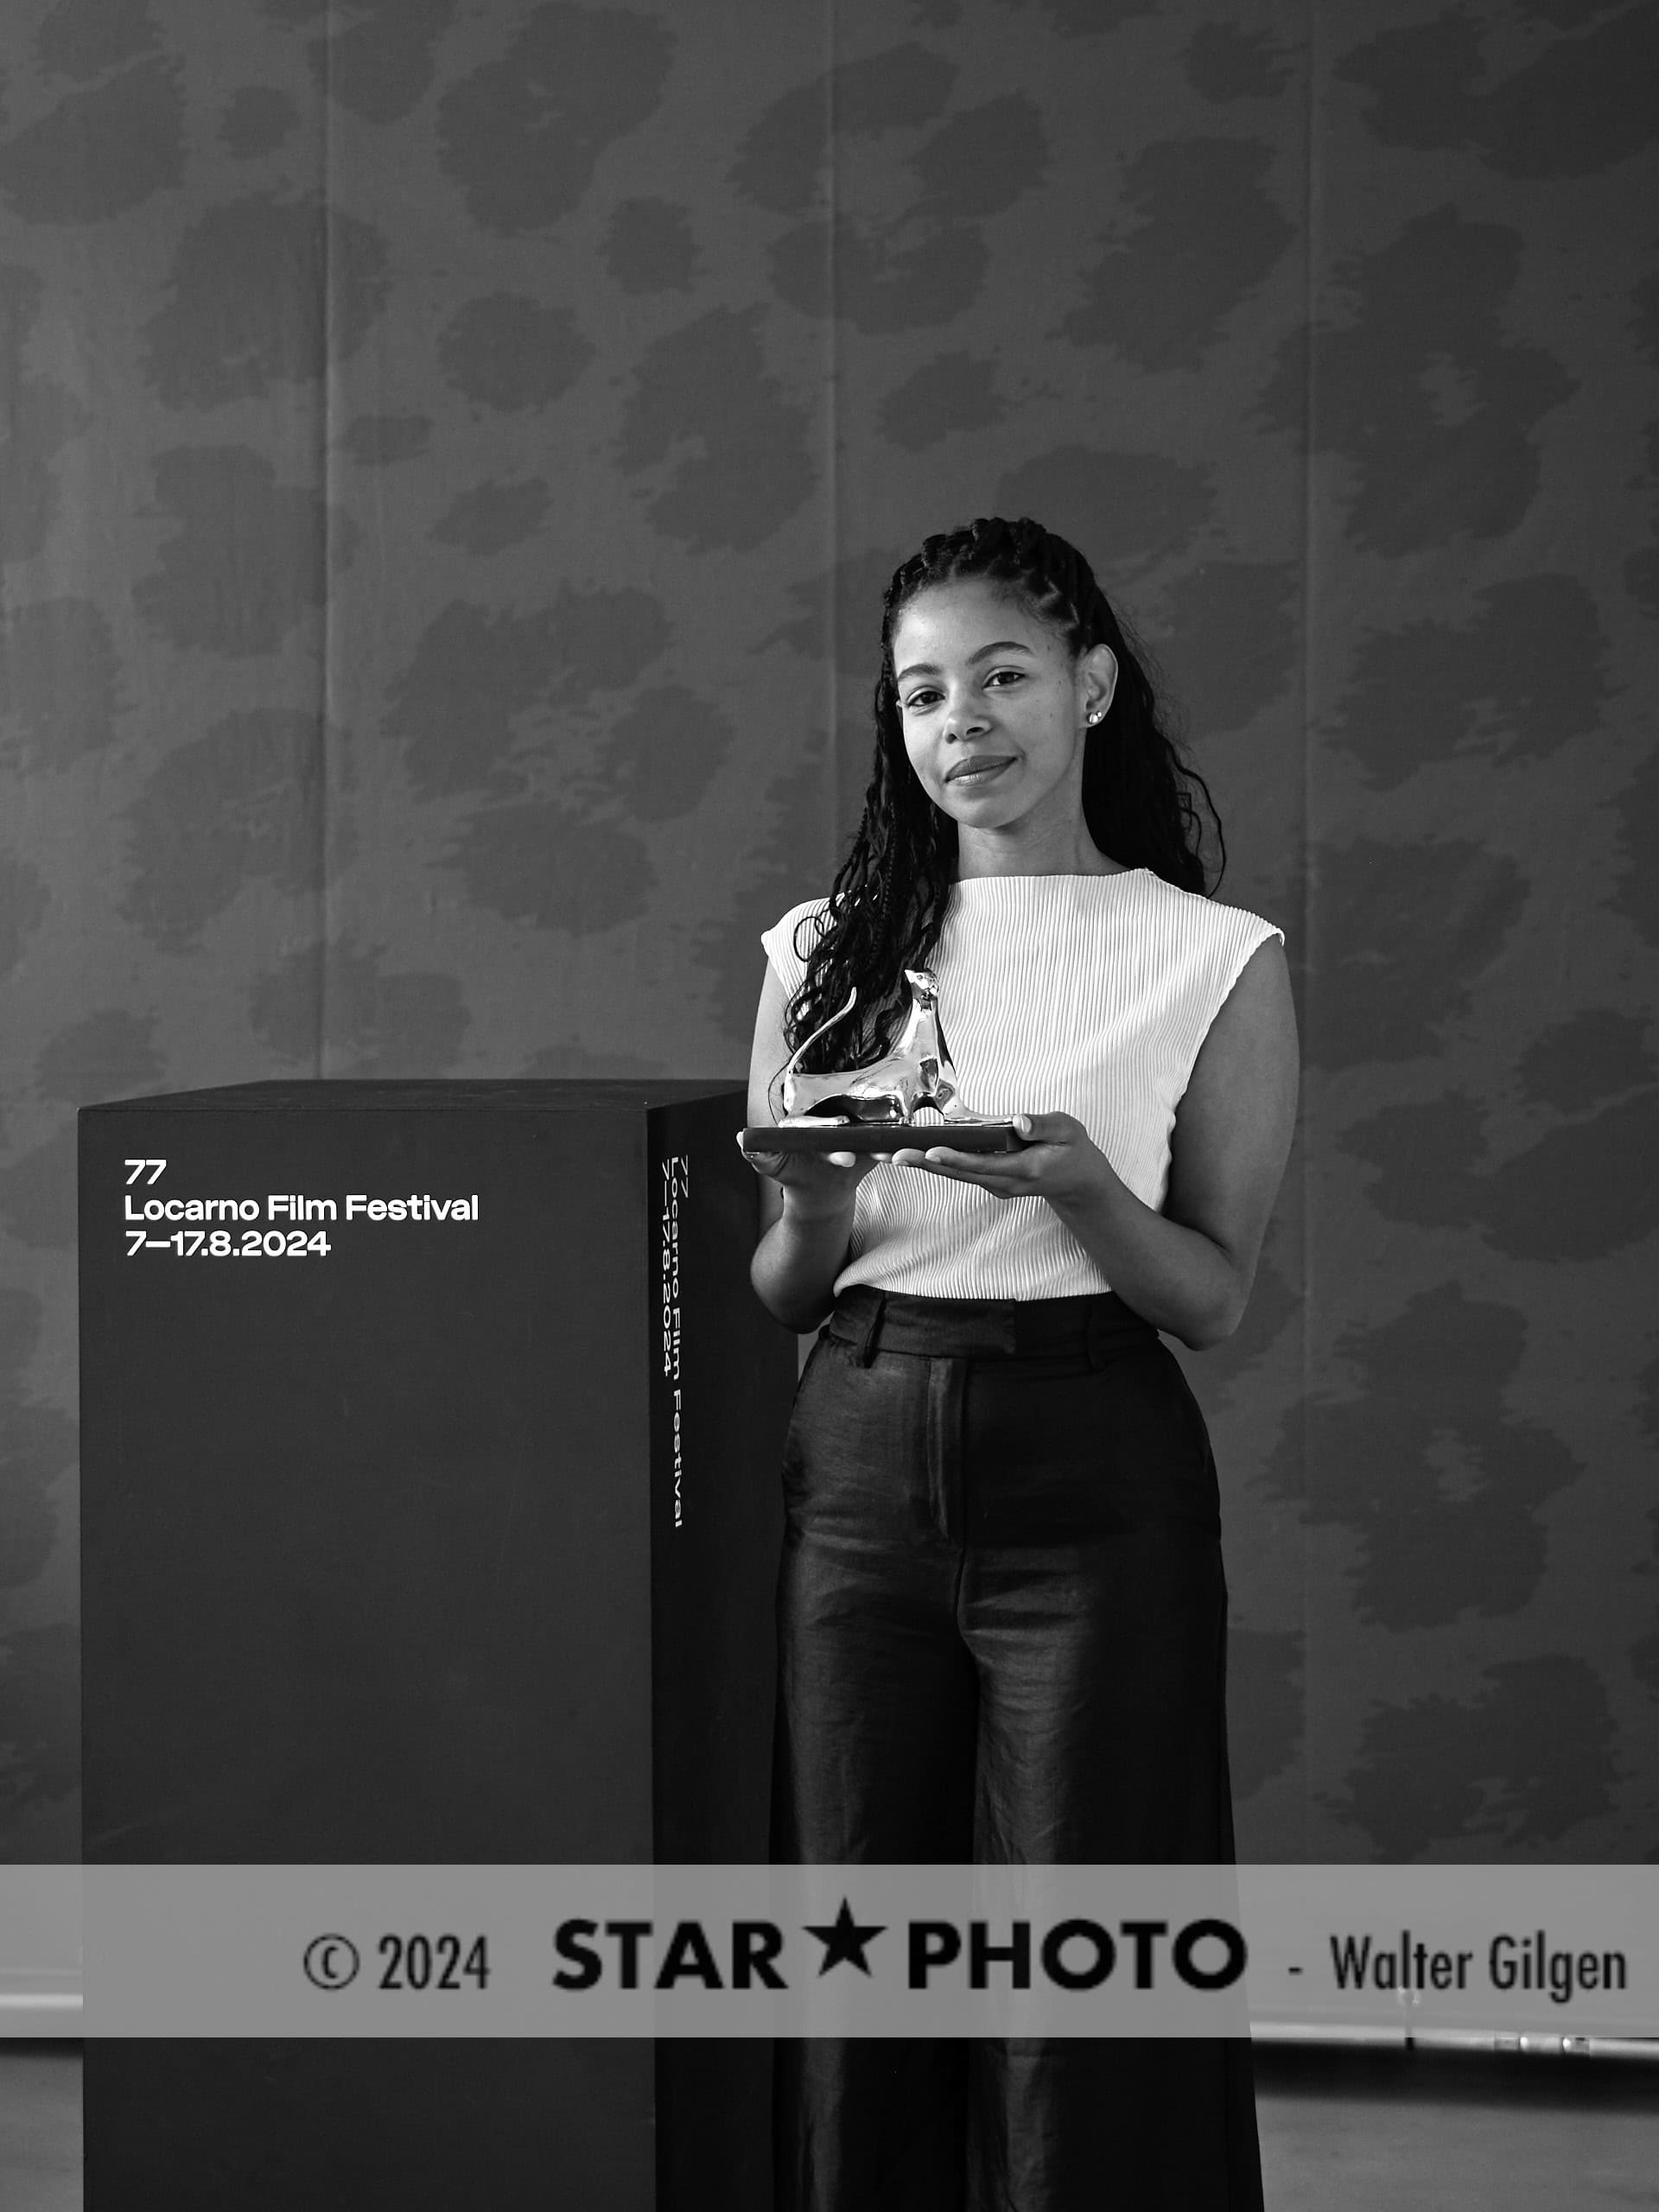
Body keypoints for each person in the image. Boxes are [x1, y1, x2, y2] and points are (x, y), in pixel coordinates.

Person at [739, 514, 1299, 2211]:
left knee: (1087, 1963)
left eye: (1001, 674)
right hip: (857, 1457)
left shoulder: (1215, 958)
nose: (958, 717)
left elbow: (1208, 1294)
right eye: (920, 690)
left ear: (1094, 687)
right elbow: (782, 1287)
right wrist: (819, 1198)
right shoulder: (814, 950)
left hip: (1093, 1470)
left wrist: (1070, 1177)